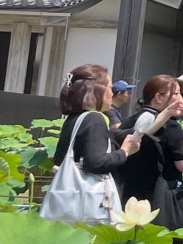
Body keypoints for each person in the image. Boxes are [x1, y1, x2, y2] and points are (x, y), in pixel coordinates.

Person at [46, 64, 143, 224]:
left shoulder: (74, 118)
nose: (112, 93)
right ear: (97, 90)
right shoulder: (95, 119)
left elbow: (59, 158)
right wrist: (124, 151)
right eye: (110, 88)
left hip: (67, 205)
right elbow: (96, 163)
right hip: (88, 209)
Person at [117, 76, 183, 229]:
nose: (181, 98)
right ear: (159, 97)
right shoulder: (171, 126)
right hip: (160, 197)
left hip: (129, 194)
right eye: (176, 93)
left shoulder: (129, 121)